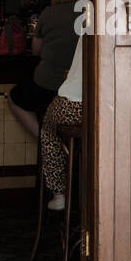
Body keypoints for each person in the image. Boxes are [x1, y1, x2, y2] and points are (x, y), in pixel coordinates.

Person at [8, 0, 80, 139]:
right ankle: (70, 148)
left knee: (16, 98)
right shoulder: (88, 14)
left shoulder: (48, 13)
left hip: (48, 83)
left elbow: (36, 50)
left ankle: (45, 139)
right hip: (79, 88)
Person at [41, 33, 83, 211]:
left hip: (73, 104)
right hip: (111, 109)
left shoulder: (93, 20)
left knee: (49, 128)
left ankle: (59, 194)